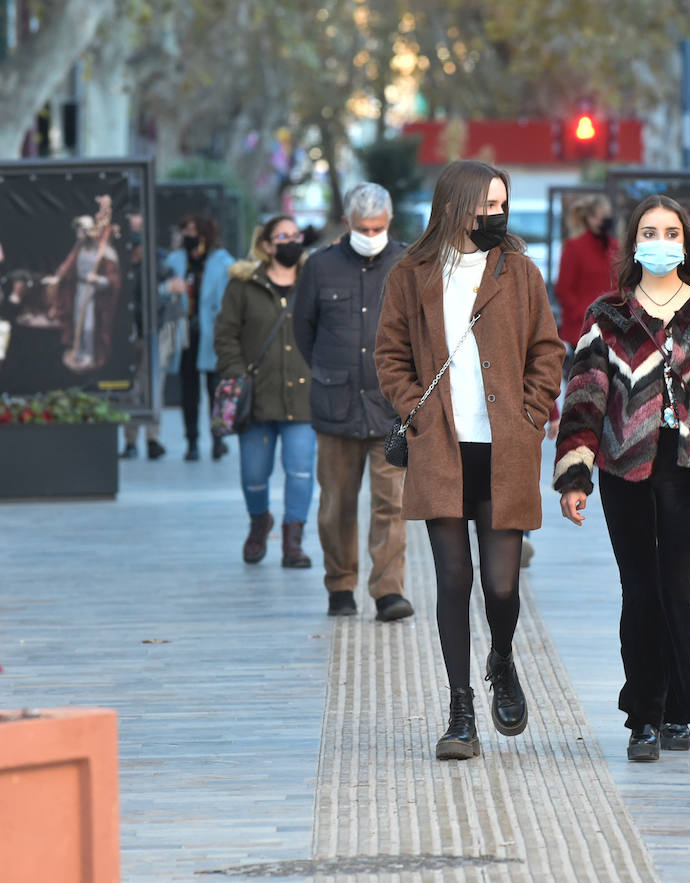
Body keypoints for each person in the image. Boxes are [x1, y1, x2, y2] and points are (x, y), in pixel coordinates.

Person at [375, 160, 563, 761]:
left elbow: (547, 350)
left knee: (502, 587)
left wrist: (533, 413)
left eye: (501, 205)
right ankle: (460, 713)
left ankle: (501, 660)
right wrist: (419, 412)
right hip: (442, 448)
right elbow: (390, 354)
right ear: (455, 205)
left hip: (506, 447)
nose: (495, 216)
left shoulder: (520, 272)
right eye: (485, 205)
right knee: (453, 580)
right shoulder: (412, 272)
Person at [554, 194, 690, 763]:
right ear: (632, 242)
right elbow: (585, 397)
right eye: (649, 231)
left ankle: (679, 707)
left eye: (670, 232)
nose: (659, 241)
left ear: (685, 242)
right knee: (639, 589)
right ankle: (644, 715)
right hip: (624, 467)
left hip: (688, 469)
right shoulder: (607, 315)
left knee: (676, 586)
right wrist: (574, 476)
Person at [294, 183, 413, 620]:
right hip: (335, 405)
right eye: (362, 227)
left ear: (389, 222)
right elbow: (303, 330)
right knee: (336, 504)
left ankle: (388, 591)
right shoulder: (319, 267)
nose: (370, 233)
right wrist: (329, 371)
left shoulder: (407, 263)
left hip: (389, 408)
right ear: (346, 224)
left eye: (377, 227)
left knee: (392, 505)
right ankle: (340, 585)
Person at [214, 216, 316, 569]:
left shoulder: (313, 281)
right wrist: (237, 374)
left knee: (301, 471)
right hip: (255, 399)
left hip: (303, 398)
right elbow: (225, 334)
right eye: (282, 236)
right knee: (254, 476)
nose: (291, 241)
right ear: (268, 244)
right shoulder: (243, 285)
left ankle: (293, 542)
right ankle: (259, 523)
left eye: (296, 234)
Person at [165, 214, 234, 462]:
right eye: (186, 231)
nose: (189, 236)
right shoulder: (174, 261)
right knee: (188, 392)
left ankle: (218, 439)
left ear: (205, 234)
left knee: (216, 390)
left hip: (213, 335)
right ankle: (191, 442)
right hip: (185, 336)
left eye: (193, 231)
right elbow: (161, 293)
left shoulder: (223, 262)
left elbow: (232, 300)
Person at [44, 213, 121, 373]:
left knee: (89, 324)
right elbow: (67, 266)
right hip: (79, 290)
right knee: (77, 320)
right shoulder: (78, 249)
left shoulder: (104, 253)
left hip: (95, 294)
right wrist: (57, 278)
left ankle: (89, 354)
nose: (78, 234)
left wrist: (99, 280)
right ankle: (78, 350)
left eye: (80, 230)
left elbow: (113, 279)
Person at [121, 212, 167, 460]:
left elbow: (170, 288)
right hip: (129, 336)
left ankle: (153, 438)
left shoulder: (155, 266)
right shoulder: (121, 267)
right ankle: (130, 440)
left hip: (152, 332)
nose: (135, 252)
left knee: (152, 386)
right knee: (131, 389)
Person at [554, 193, 619, 350]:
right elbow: (563, 289)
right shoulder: (574, 247)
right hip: (581, 330)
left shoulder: (614, 246)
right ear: (590, 219)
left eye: (607, 216)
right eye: (601, 216)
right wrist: (584, 315)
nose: (606, 220)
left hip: (611, 329)